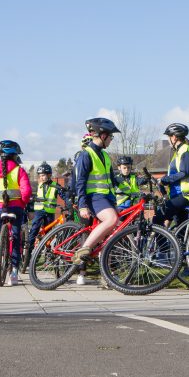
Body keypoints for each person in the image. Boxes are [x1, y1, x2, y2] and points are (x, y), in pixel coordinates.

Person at [71, 118, 121, 285]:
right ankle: (83, 251)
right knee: (111, 220)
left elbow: (113, 181)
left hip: (108, 198)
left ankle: (106, 274)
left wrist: (135, 190)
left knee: (117, 230)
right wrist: (82, 205)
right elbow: (80, 182)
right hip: (94, 198)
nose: (112, 139)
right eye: (111, 136)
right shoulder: (86, 155)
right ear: (103, 135)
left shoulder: (105, 156)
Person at [0, 140, 32, 285]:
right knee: (16, 240)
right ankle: (13, 275)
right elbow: (26, 192)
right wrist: (22, 203)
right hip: (16, 209)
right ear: (15, 155)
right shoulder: (19, 170)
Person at [152, 123, 189, 229]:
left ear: (174, 137)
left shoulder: (185, 150)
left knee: (158, 218)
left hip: (184, 194)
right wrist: (161, 179)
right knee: (180, 228)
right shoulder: (178, 153)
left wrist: (165, 180)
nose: (168, 140)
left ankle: (163, 246)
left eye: (168, 137)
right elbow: (174, 173)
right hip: (177, 194)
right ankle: (180, 245)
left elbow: (185, 172)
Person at [22, 162, 65, 273]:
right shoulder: (39, 186)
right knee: (34, 231)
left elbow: (64, 195)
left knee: (48, 235)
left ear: (49, 175)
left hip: (49, 213)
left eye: (44, 175)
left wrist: (68, 201)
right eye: (40, 176)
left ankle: (47, 256)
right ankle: (28, 256)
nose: (42, 177)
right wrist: (30, 206)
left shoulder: (55, 186)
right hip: (39, 212)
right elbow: (32, 198)